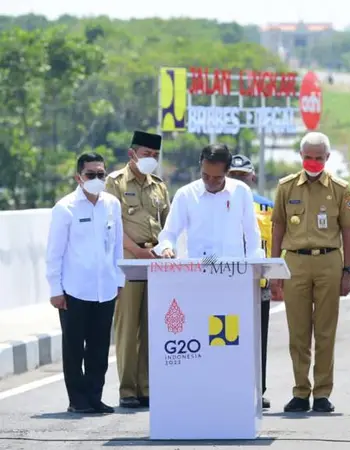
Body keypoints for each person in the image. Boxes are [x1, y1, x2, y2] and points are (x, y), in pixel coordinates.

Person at [270, 132, 350, 413]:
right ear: (301, 157)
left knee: (325, 331)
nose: (312, 162)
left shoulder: (339, 188)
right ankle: (300, 391)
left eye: (318, 158)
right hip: (295, 262)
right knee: (298, 331)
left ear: (327, 158)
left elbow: (348, 231)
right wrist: (275, 269)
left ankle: (322, 393)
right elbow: (278, 228)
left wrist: (347, 270)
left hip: (328, 263)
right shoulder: (286, 187)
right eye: (308, 157)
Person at [45, 152, 124, 414]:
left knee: (100, 348)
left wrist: (119, 280)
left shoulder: (112, 204)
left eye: (101, 174)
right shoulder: (65, 208)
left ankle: (94, 397)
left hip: (105, 289)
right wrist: (56, 290)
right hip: (74, 290)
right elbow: (54, 253)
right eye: (91, 174)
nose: (97, 178)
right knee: (74, 347)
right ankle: (77, 400)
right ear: (79, 177)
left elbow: (117, 249)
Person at [105, 130, 170, 409]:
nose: (151, 160)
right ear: (132, 153)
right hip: (129, 260)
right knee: (128, 326)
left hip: (155, 261)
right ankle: (128, 389)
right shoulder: (115, 183)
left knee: (152, 326)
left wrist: (165, 247)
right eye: (147, 154)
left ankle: (147, 386)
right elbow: (112, 226)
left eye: (155, 155)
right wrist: (139, 251)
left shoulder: (159, 186)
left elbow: (168, 224)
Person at [154, 143, 261, 259]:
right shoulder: (185, 194)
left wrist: (254, 266)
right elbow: (169, 232)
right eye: (206, 175)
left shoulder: (242, 192)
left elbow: (252, 234)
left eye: (217, 178)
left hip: (232, 270)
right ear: (201, 166)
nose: (210, 181)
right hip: (197, 271)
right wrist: (166, 248)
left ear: (227, 171)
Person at [228, 154, 274, 410]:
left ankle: (259, 389)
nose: (239, 181)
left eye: (242, 176)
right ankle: (232, 387)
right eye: (233, 176)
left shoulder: (267, 206)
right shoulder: (219, 203)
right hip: (229, 282)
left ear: (252, 177)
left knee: (258, 340)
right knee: (228, 337)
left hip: (259, 283)